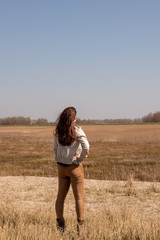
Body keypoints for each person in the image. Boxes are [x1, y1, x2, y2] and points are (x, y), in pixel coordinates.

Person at [54, 107, 90, 232]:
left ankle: (60, 226)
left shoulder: (59, 131)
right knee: (78, 198)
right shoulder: (77, 130)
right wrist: (79, 159)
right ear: (74, 118)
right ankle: (80, 228)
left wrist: (58, 160)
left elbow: (55, 148)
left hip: (61, 168)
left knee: (60, 198)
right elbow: (86, 147)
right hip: (74, 168)